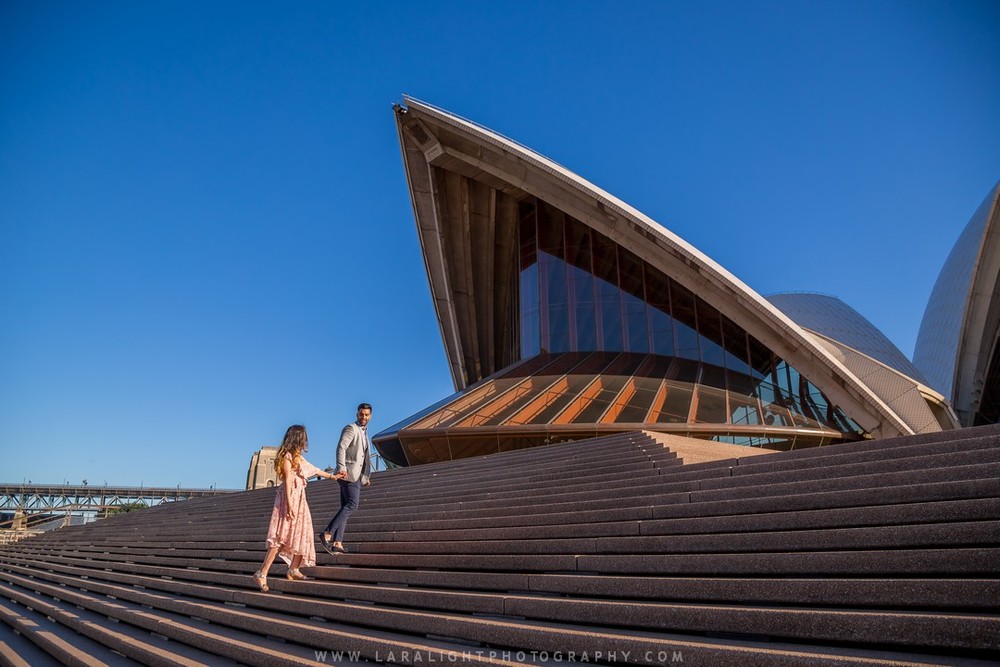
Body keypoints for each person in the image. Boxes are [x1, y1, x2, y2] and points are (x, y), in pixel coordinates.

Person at [253, 424, 340, 592]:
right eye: (304, 438)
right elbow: (287, 481)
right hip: (290, 500)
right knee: (281, 537)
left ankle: (293, 569)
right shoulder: (287, 457)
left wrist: (333, 476)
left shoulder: (298, 458)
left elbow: (315, 470)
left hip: (300, 500)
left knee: (304, 533)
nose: (306, 441)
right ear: (298, 438)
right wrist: (289, 505)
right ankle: (262, 573)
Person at [319, 402, 373, 555]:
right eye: (361, 414)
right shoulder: (351, 428)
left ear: (370, 416)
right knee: (352, 505)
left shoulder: (364, 432)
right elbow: (341, 447)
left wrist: (364, 476)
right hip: (347, 473)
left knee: (345, 505)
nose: (364, 417)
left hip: (356, 474)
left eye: (366, 415)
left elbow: (362, 457)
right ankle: (327, 533)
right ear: (357, 414)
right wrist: (341, 467)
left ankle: (338, 542)